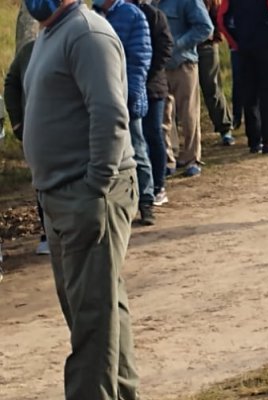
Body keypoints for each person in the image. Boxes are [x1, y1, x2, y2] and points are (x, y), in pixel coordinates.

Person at [22, 0, 140, 398]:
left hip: (88, 194)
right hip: (60, 196)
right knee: (98, 313)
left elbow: (110, 114)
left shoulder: (88, 34)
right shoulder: (48, 36)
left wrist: (95, 188)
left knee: (92, 321)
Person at [93, 0, 154, 225]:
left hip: (127, 97)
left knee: (137, 149)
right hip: (101, 99)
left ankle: (146, 200)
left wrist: (130, 95)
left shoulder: (133, 15)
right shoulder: (94, 15)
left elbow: (140, 58)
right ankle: (115, 203)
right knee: (106, 151)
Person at [219, 0, 268, 154]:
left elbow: (222, 18)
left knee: (250, 95)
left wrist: (235, 43)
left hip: (244, 47)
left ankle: (254, 141)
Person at [4, 40, 51, 255]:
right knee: (43, 184)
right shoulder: (29, 50)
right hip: (36, 134)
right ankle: (48, 234)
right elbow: (11, 82)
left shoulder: (80, 42)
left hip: (70, 135)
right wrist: (17, 122)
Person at [158, 0, 214, 176]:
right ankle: (168, 159)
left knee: (188, 115)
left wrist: (177, 44)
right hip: (160, 66)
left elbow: (205, 27)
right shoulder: (151, 2)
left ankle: (191, 159)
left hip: (184, 63)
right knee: (163, 116)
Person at [132, 0, 174, 206]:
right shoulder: (115, 15)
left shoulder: (154, 15)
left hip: (152, 87)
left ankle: (159, 186)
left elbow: (166, 47)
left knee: (153, 134)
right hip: (130, 86)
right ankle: (140, 188)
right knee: (135, 139)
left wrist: (146, 75)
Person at [198, 0, 236, 146]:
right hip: (185, 48)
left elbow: (219, 15)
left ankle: (225, 129)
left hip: (207, 45)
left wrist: (215, 34)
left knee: (212, 88)